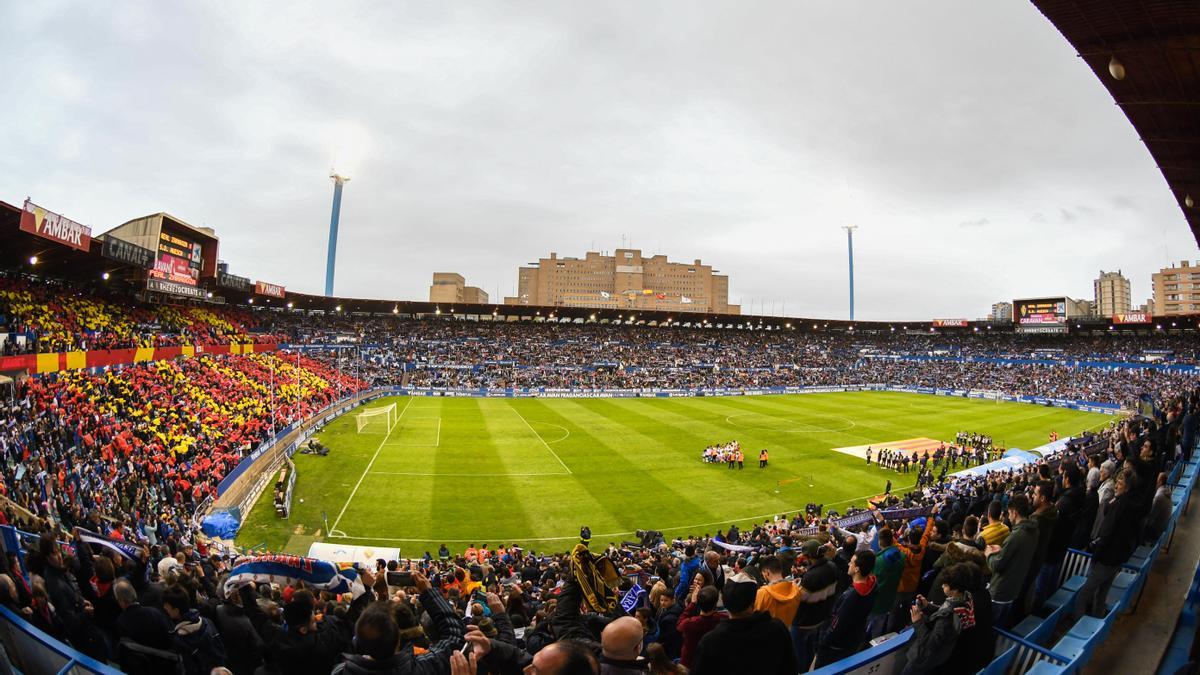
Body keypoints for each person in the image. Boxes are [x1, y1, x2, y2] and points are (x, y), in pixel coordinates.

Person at [691, 573, 796, 675]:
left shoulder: (710, 642)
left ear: (724, 601)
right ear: (753, 602)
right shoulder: (777, 629)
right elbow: (790, 668)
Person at [902, 563, 976, 675]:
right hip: (941, 655)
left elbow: (930, 643)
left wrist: (917, 621)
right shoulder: (965, 598)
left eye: (945, 585)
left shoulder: (948, 617)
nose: (942, 586)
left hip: (924, 659)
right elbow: (942, 612)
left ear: (955, 589)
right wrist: (927, 606)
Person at [814, 549, 877, 669]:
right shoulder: (872, 583)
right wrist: (836, 556)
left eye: (852, 562)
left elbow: (837, 626)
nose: (849, 564)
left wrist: (823, 642)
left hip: (835, 646)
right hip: (853, 639)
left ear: (857, 569)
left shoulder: (852, 597)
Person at [985, 494, 1037, 629]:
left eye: (1009, 513)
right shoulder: (1033, 529)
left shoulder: (1015, 536)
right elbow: (1017, 553)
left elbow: (996, 565)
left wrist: (989, 554)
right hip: (1014, 587)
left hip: (1001, 591)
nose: (1008, 517)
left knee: (993, 628)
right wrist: (1002, 549)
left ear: (1015, 512)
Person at [677, 584, 725, 669]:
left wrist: (692, 603)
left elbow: (679, 625)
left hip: (691, 664)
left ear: (698, 602)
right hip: (713, 663)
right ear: (716, 602)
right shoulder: (723, 619)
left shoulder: (690, 623)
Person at [868, 526, 904, 638]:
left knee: (869, 626)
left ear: (879, 541)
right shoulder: (902, 555)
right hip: (890, 597)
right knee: (879, 625)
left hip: (875, 603)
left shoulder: (878, 561)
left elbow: (871, 582)